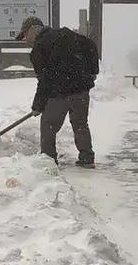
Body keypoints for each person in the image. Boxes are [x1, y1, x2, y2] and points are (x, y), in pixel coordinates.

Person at [16, 16, 99, 168]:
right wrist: (93, 72)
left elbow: (44, 80)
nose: (24, 40)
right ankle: (86, 157)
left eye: (24, 35)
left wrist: (38, 105)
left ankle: (48, 160)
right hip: (81, 90)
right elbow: (91, 45)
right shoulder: (67, 34)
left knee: (48, 124)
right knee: (80, 123)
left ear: (33, 30)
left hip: (59, 93)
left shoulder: (39, 49)